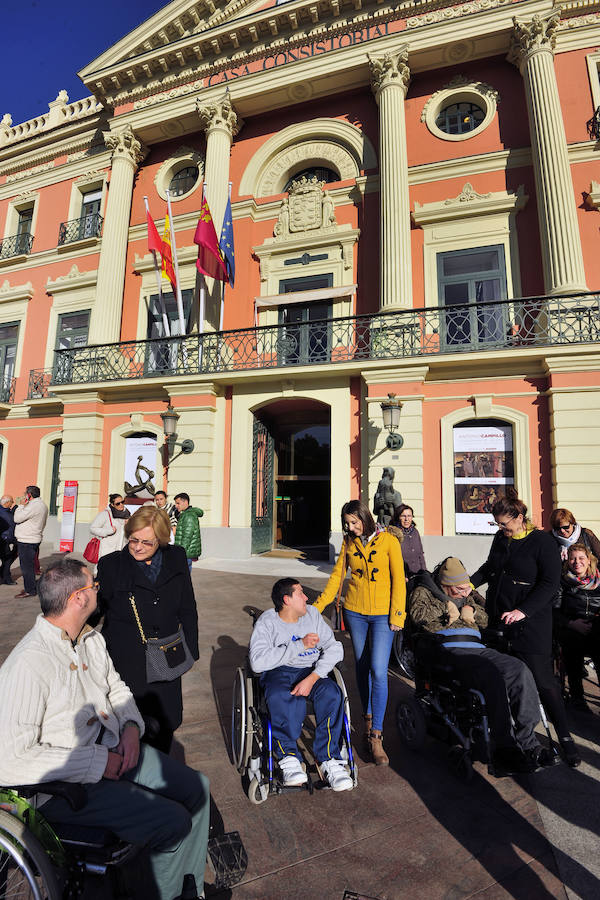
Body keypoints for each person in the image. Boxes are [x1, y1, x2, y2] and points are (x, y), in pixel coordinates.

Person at [0, 557, 209, 900]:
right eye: (93, 584)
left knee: (197, 787)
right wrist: (97, 763)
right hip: (63, 787)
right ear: (78, 598)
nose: (100, 588)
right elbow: (9, 760)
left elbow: (117, 689)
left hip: (115, 749)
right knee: (172, 821)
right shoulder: (29, 663)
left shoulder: (89, 640)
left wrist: (130, 727)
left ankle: (191, 888)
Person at [410, 558, 556, 774]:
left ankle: (529, 743)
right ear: (445, 585)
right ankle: (504, 750)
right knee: (491, 676)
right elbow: (417, 616)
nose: (463, 592)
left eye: (465, 587)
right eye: (458, 589)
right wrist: (446, 611)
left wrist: (471, 610)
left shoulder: (467, 595)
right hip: (447, 649)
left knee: (519, 669)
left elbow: (486, 619)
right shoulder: (423, 591)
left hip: (477, 646)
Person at [471, 489, 581, 767]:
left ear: (520, 518)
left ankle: (566, 739)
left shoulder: (542, 542)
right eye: (497, 525)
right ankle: (512, 736)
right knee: (503, 678)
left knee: (544, 682)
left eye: (504, 524)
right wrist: (469, 583)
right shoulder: (500, 539)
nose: (501, 529)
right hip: (500, 622)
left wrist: (523, 611)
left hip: (531, 626)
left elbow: (549, 583)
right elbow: (490, 568)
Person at [97, 506, 199, 754]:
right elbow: (98, 608)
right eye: (133, 540)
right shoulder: (110, 565)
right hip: (126, 657)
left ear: (161, 540)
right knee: (131, 725)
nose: (138, 547)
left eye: (147, 542)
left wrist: (191, 651)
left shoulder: (176, 557)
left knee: (166, 721)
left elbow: (187, 607)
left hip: (168, 654)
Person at [313, 500, 406, 766]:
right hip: (355, 611)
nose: (351, 528)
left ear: (365, 517)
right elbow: (336, 578)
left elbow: (399, 580)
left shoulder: (389, 541)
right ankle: (366, 724)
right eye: (347, 523)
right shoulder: (348, 543)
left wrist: (398, 614)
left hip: (382, 615)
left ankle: (377, 735)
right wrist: (316, 607)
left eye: (355, 522)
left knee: (378, 669)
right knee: (362, 666)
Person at [249, 578, 353, 791]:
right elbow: (257, 663)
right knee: (281, 696)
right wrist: (299, 645)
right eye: (301, 594)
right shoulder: (267, 622)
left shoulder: (313, 615)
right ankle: (289, 757)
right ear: (287, 600)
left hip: (310, 671)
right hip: (279, 671)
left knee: (332, 694)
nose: (307, 597)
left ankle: (328, 760)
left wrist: (313, 677)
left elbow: (335, 648)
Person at [555, 542, 600, 713]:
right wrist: (572, 623)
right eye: (573, 559)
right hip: (571, 625)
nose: (577, 562)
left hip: (596, 625)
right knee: (572, 646)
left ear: (589, 560)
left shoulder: (599, 579)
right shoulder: (563, 581)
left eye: (581, 558)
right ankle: (577, 697)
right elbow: (555, 610)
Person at [14, 485, 48, 599]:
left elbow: (17, 518)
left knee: (26, 567)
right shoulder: (41, 504)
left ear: (29, 495)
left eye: (25, 494)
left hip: (27, 540)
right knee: (30, 565)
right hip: (33, 538)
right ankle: (30, 586)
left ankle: (30, 590)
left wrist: (20, 506)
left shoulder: (33, 506)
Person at [89, 493, 130, 561]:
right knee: (105, 569)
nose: (121, 505)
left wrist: (129, 525)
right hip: (108, 549)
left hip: (121, 548)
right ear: (112, 504)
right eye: (118, 503)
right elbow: (92, 528)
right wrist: (108, 531)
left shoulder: (127, 514)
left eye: (122, 502)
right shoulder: (105, 514)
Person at [389, 504, 426, 578]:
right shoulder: (393, 534)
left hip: (417, 574)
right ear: (398, 517)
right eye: (403, 516)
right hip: (402, 576)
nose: (406, 519)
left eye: (409, 516)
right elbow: (392, 559)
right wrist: (402, 575)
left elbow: (420, 554)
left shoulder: (415, 532)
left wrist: (424, 572)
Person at [174, 493, 204, 571]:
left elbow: (187, 537)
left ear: (185, 502)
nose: (176, 506)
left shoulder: (189, 516)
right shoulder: (185, 514)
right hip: (186, 553)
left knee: (183, 577)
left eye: (178, 503)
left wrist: (180, 552)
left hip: (186, 553)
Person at [0, 494, 18, 585]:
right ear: (7, 502)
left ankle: (3, 574)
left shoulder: (7, 511)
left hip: (8, 539)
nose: (12, 503)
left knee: (8, 558)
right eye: (11, 501)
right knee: (7, 559)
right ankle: (7, 578)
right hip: (3, 540)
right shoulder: (2, 513)